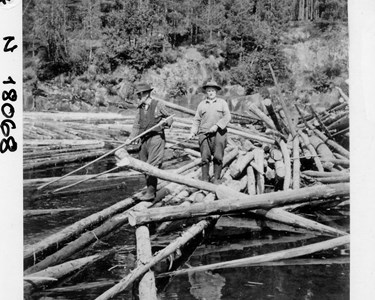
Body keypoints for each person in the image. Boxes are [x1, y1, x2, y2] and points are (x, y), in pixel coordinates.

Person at [125, 82, 173, 201]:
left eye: (139, 95)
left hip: (156, 138)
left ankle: (151, 193)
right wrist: (130, 138)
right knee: (143, 163)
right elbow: (136, 125)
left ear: (146, 94)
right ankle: (149, 189)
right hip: (144, 139)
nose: (138, 98)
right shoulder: (140, 108)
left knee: (151, 165)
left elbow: (170, 118)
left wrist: (165, 122)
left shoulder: (158, 104)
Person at [188, 80, 231, 183]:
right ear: (206, 92)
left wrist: (217, 126)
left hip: (219, 133)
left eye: (212, 90)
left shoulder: (222, 103)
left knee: (218, 156)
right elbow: (196, 120)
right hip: (204, 134)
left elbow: (227, 116)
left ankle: (216, 179)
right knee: (205, 157)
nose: (210, 93)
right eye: (208, 91)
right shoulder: (201, 105)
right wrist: (193, 132)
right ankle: (205, 180)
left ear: (216, 92)